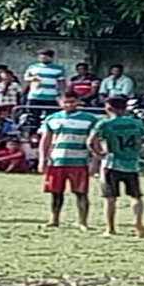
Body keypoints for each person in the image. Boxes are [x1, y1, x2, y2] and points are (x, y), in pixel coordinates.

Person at [88, 97, 144, 237]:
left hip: (112, 163)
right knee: (136, 196)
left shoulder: (105, 123)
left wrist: (98, 153)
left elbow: (91, 141)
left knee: (110, 198)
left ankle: (110, 228)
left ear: (109, 108)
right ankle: (138, 222)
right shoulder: (136, 123)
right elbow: (141, 140)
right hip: (132, 164)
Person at [39, 91, 100, 228]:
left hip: (79, 161)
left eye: (72, 101)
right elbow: (45, 140)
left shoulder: (89, 119)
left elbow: (95, 141)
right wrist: (42, 159)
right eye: (66, 102)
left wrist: (94, 161)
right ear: (59, 102)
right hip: (57, 161)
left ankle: (83, 222)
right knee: (55, 192)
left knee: (81, 192)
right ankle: (54, 219)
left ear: (78, 101)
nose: (69, 105)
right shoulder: (52, 118)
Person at [24, 49, 67, 117]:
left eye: (45, 56)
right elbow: (26, 78)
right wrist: (33, 79)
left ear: (51, 57)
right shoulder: (32, 67)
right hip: (35, 96)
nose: (43, 58)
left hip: (52, 97)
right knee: (33, 116)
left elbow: (62, 82)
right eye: (41, 56)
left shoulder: (59, 68)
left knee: (52, 116)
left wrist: (63, 95)